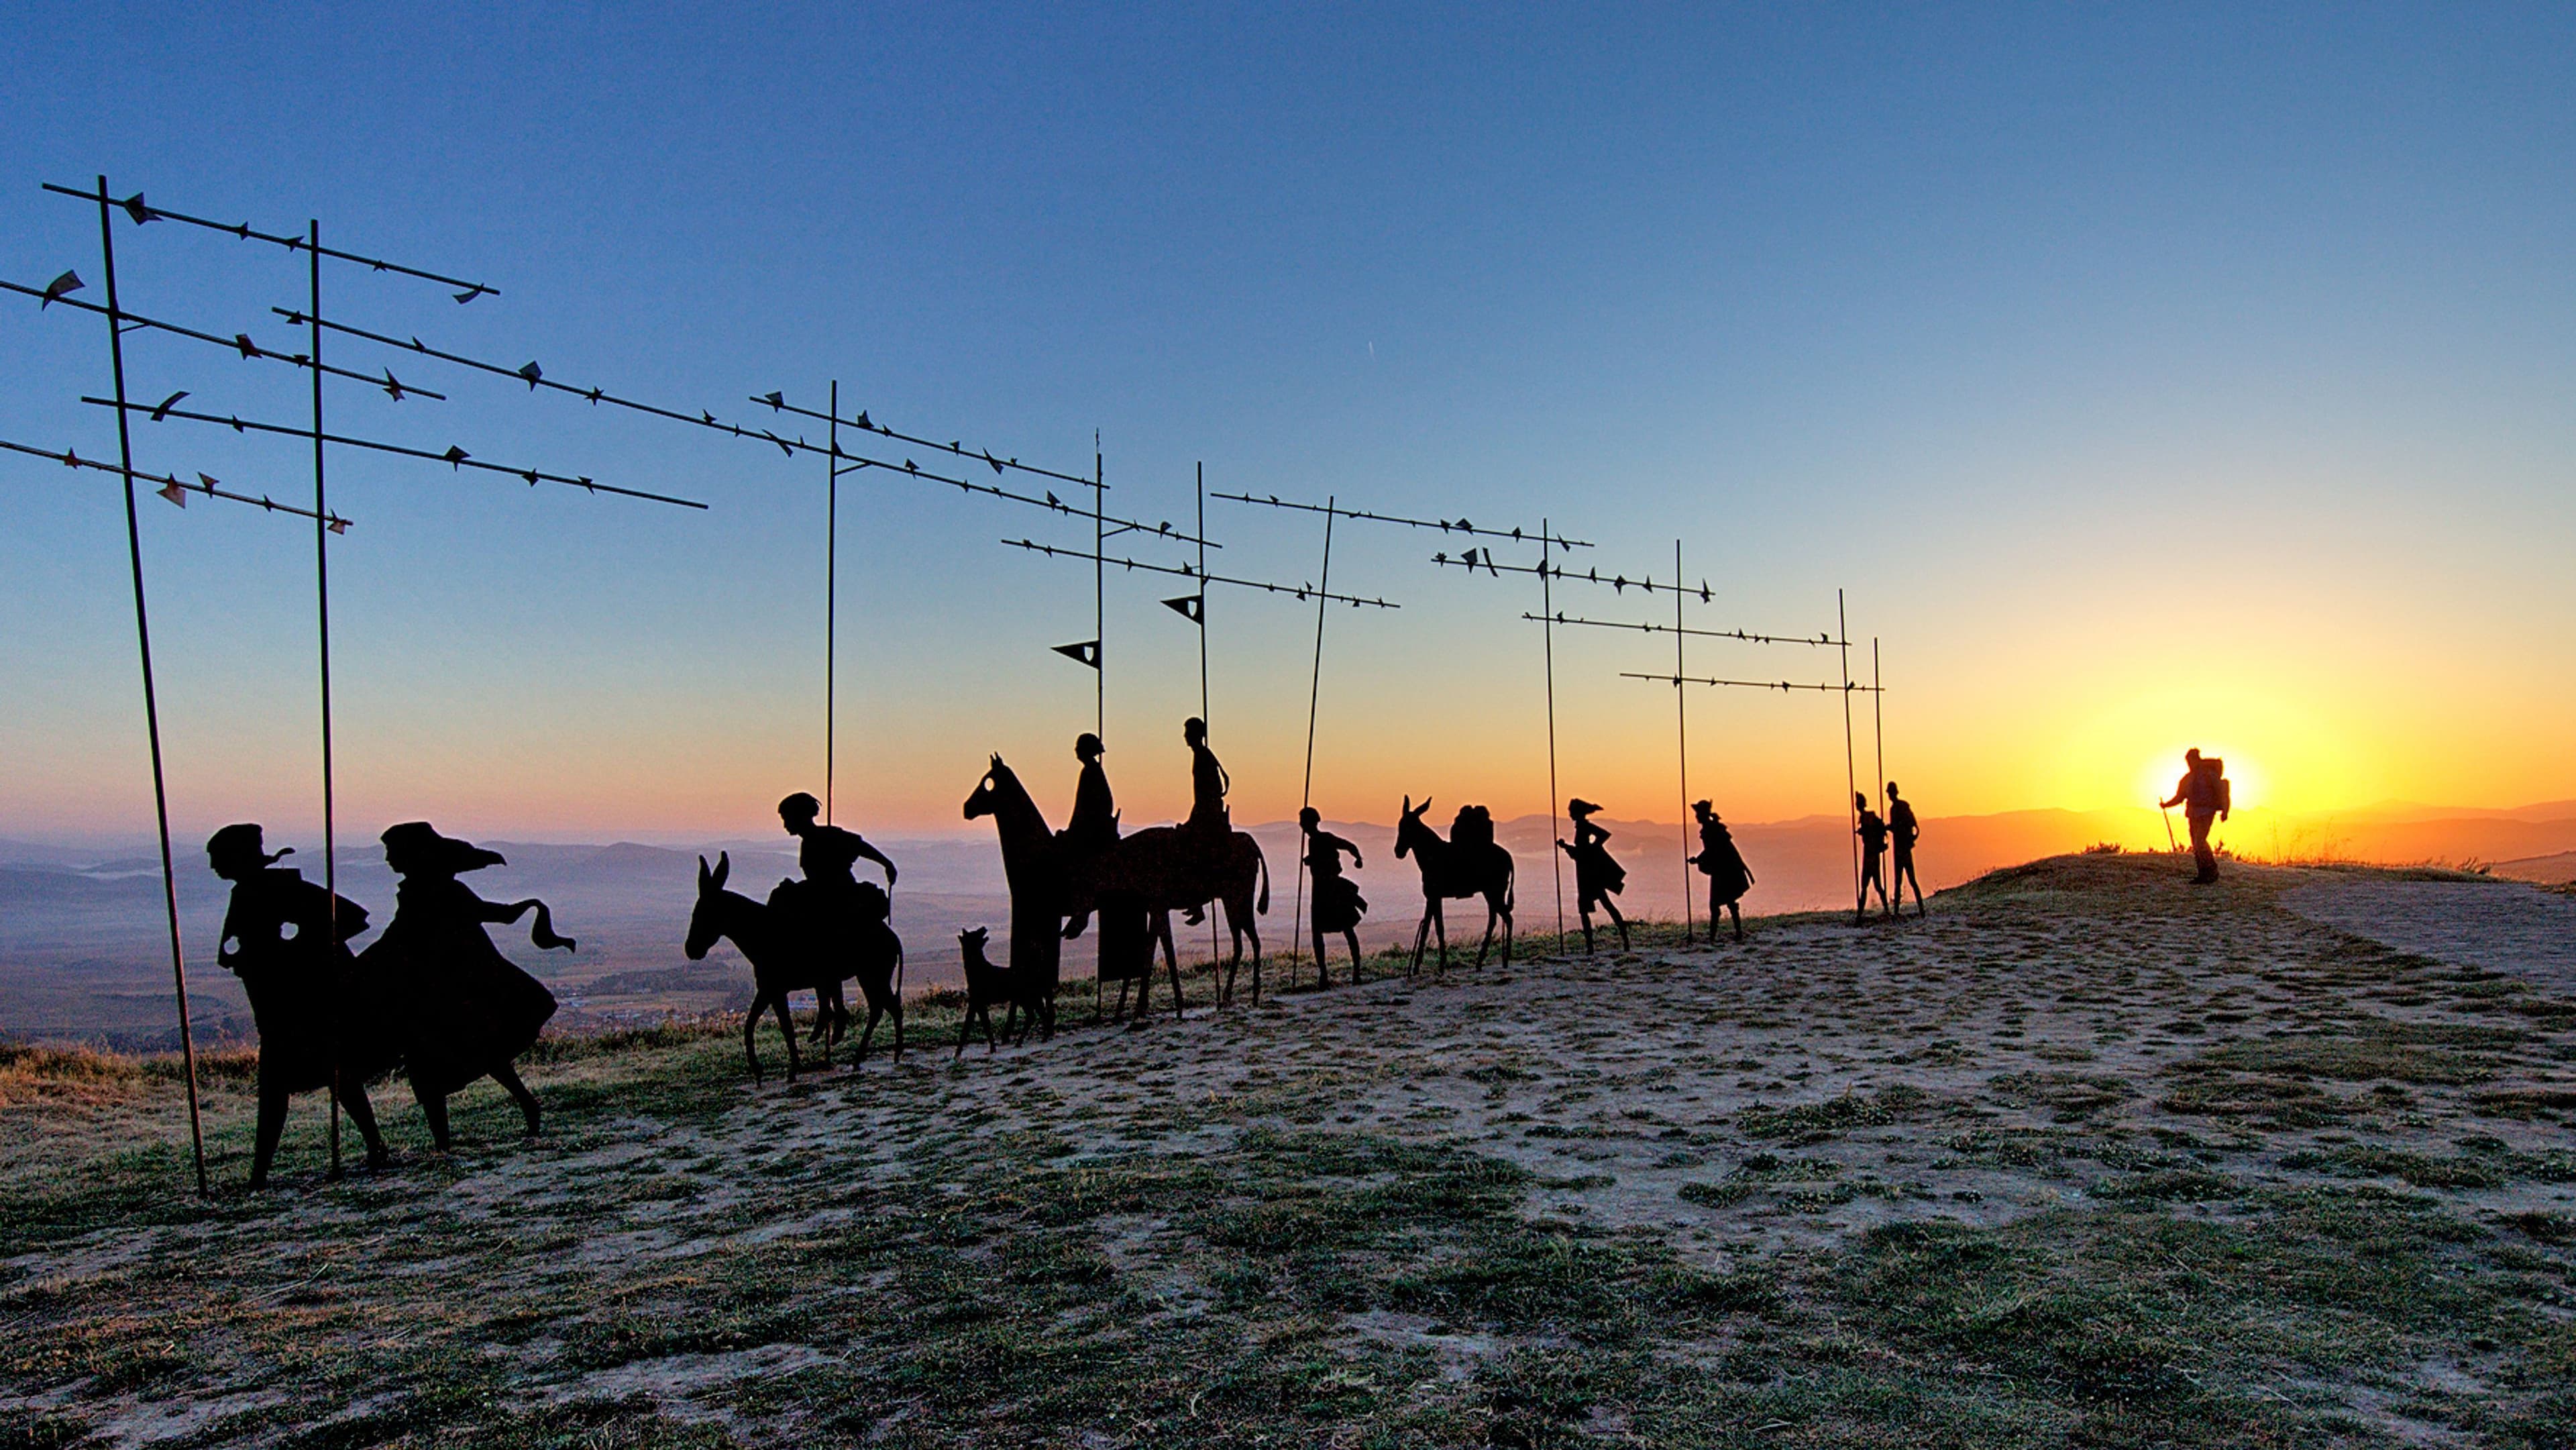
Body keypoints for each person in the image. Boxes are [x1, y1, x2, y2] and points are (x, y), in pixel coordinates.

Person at [359, 822, 569, 1150]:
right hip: (433, 988)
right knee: (465, 1055)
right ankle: (453, 1137)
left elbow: (397, 938)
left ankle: (450, 1140)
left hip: (451, 989)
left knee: (444, 1058)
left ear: (411, 854)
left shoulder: (435, 892)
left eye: (391, 851)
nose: (387, 859)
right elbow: (397, 939)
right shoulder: (424, 891)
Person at [208, 824, 392, 1186]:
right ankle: (263, 1173)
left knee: (319, 1080)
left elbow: (353, 918)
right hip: (273, 1006)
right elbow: (231, 948)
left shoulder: (285, 888)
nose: (214, 866)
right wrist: (244, 956)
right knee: (313, 1081)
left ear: (238, 858)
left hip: (304, 1005)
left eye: (218, 858)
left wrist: (298, 951)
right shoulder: (243, 894)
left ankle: (262, 1175)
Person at [777, 791, 898, 1038]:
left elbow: (860, 846)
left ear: (799, 816)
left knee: (824, 946)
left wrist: (887, 864)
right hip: (819, 897)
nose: (785, 824)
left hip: (838, 899)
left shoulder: (827, 835)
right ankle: (828, 1009)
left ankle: (836, 1011)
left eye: (787, 818)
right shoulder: (807, 841)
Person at [1059, 732, 1119, 934]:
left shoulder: (1091, 772)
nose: (1075, 750)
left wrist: (1074, 831)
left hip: (1093, 832)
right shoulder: (1092, 770)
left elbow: (1085, 808)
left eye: (1078, 747)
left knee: (1075, 862)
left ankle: (1081, 909)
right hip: (1091, 828)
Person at [1299, 807, 1367, 986]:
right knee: (1328, 931)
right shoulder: (1314, 841)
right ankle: (1328, 975)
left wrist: (1358, 858)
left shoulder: (1324, 839)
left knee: (1344, 929)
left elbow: (1349, 847)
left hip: (1330, 889)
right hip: (1321, 890)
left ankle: (1352, 973)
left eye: (1302, 821)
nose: (1300, 825)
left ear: (1309, 823)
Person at [1556, 798, 1630, 953]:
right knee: (1604, 905)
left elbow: (1601, 836)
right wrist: (1570, 848)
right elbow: (1581, 851)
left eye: (1571, 811)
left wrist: (1591, 849)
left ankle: (1593, 946)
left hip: (1588, 873)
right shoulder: (1581, 827)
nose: (1569, 814)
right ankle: (1621, 940)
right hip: (1585, 871)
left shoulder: (1584, 826)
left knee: (1591, 908)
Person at [1180, 717, 1228, 925]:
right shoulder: (1203, 755)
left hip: (1208, 815)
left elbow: (1208, 792)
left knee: (1187, 849)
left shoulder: (1203, 756)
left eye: (1188, 732)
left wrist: (1195, 819)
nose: (1185, 737)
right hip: (1205, 812)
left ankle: (1197, 900)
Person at [2159, 748, 2231, 884]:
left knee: (2199, 842)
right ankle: (2204, 873)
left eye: (2191, 761)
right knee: (2197, 843)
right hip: (2192, 814)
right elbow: (2180, 797)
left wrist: (2225, 811)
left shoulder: (2209, 775)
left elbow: (2222, 793)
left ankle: (2210, 871)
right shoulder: (2187, 779)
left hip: (2207, 812)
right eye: (2188, 761)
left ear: (2197, 759)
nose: (2189, 764)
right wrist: (2166, 805)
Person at [1688, 801, 1754, 941]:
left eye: (1698, 814)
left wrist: (1698, 860)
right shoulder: (1713, 828)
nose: (1696, 817)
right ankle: (1735, 933)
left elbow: (1712, 850)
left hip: (1724, 871)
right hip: (1724, 869)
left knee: (1718, 904)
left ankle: (1716, 937)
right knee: (1728, 902)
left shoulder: (1711, 830)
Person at [1886, 782, 1925, 919]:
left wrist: (1890, 828)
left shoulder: (1896, 808)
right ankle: (1921, 910)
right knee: (1910, 880)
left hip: (1900, 849)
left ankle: (1897, 912)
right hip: (1905, 847)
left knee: (1901, 881)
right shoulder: (1904, 806)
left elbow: (1898, 827)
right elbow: (1912, 825)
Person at [1854, 792, 1893, 920]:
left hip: (1870, 855)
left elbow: (1869, 832)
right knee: (1877, 885)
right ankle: (1886, 909)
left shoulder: (1866, 818)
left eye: (1857, 803)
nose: (1856, 805)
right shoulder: (1867, 817)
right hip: (1873, 854)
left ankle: (1860, 914)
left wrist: (1862, 831)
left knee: (1866, 885)